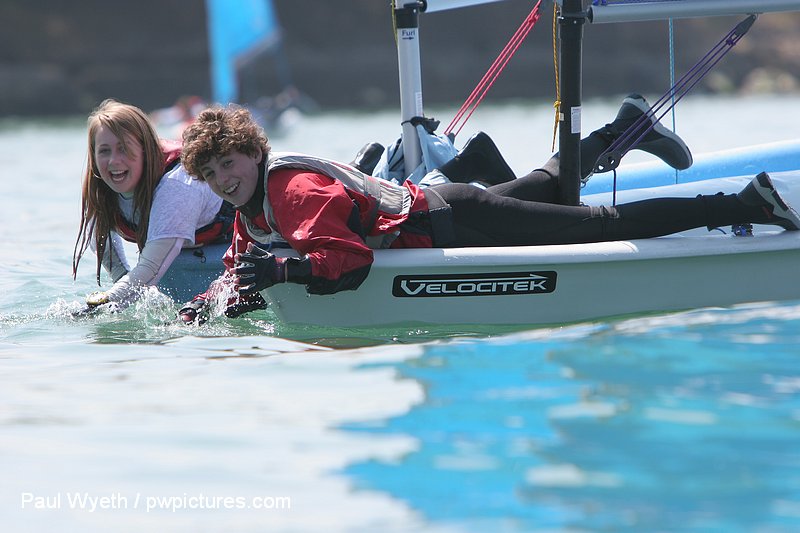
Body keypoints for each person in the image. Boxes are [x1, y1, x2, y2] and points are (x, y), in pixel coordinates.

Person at [176, 97, 799, 324]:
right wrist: (197, 314)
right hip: (451, 202)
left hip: (457, 220)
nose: (223, 179)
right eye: (211, 173)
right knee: (549, 185)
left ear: (255, 155)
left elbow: (349, 259)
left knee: (603, 228)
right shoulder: (249, 210)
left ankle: (746, 201)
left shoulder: (290, 194)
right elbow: (241, 266)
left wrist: (285, 276)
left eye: (230, 163)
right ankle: (624, 129)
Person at [72, 99, 234, 313]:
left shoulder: (178, 184)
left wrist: (103, 304)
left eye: (124, 148)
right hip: (176, 257)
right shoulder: (98, 187)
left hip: (229, 255)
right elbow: (107, 248)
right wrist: (121, 289)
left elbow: (150, 268)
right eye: (104, 151)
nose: (113, 161)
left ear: (146, 150)